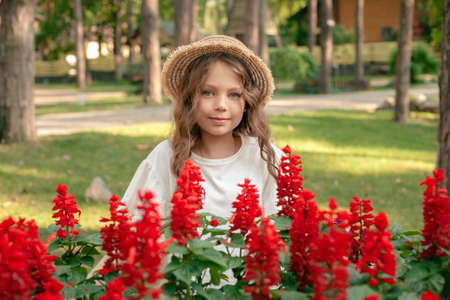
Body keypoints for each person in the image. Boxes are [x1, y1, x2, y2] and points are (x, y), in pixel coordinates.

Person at [122, 35, 283, 221]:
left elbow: (282, 232)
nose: (221, 105)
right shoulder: (165, 157)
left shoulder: (265, 158)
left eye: (234, 95)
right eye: (208, 93)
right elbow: (136, 225)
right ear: (190, 99)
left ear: (247, 102)